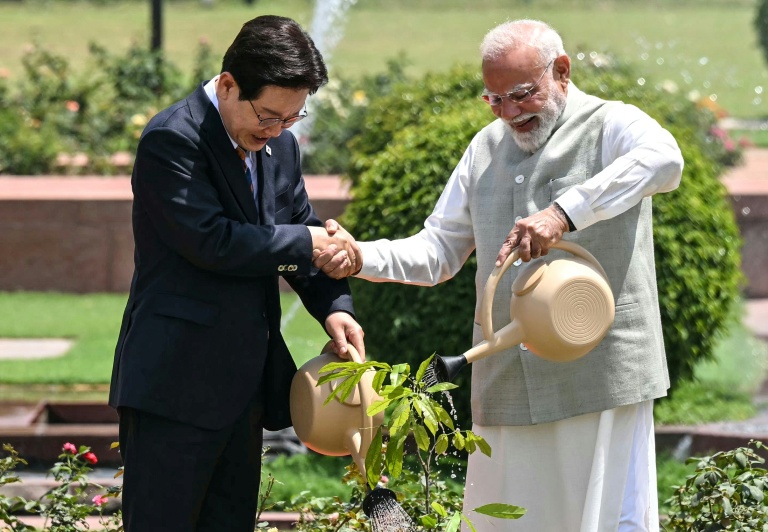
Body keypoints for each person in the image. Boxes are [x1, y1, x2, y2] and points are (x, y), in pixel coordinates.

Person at [314, 19, 684, 532]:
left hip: (601, 377)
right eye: (494, 99)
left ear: (561, 71)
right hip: (506, 380)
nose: (510, 113)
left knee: (603, 520)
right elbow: (439, 250)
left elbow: (665, 160)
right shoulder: (484, 148)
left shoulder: (613, 124)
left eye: (522, 94)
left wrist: (564, 212)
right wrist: (360, 257)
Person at [109, 15, 364, 532]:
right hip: (173, 385)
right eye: (267, 116)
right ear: (227, 84)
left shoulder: (281, 146)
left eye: (290, 119)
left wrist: (333, 306)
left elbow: (297, 227)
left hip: (243, 386)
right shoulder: (172, 139)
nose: (274, 131)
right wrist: (308, 242)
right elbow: (214, 242)